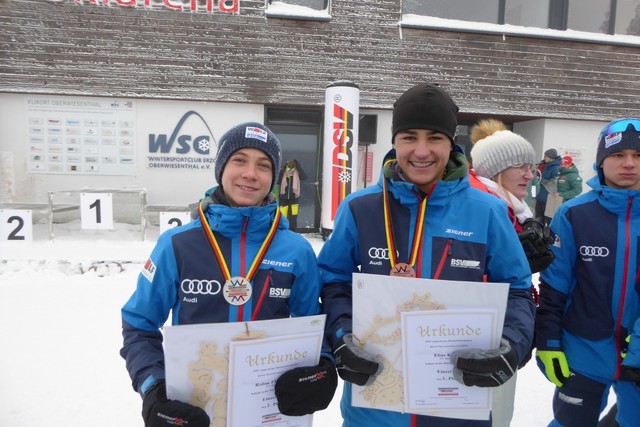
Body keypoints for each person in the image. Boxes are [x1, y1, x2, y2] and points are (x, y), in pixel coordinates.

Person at [318, 83, 535, 427]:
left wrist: (511, 345)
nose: (421, 151)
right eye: (409, 137)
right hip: (375, 407)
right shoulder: (360, 208)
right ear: (394, 142)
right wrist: (341, 335)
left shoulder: (488, 211)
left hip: (457, 405)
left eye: (434, 137)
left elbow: (518, 291)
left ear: (452, 143)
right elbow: (333, 283)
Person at [120, 122, 337, 427]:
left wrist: (323, 367)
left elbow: (315, 328)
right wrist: (153, 388)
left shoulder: (296, 250)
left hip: (269, 412)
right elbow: (138, 325)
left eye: (263, 165)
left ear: (273, 177)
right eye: (239, 160)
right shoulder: (177, 244)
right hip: (196, 411)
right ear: (221, 168)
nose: (250, 173)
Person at [535, 118, 640, 427]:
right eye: (618, 155)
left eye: (637, 156)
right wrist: (549, 341)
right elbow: (554, 286)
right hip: (583, 351)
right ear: (601, 161)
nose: (629, 164)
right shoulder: (574, 214)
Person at [469, 118, 552, 426]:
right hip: (486, 332)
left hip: (504, 327)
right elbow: (469, 273)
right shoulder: (489, 205)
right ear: (496, 170)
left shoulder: (510, 206)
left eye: (531, 167)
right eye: (522, 166)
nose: (530, 175)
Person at [278, 158, 307, 230]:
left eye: (293, 164)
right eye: (289, 164)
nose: (291, 165)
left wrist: (299, 166)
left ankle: (292, 232)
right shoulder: (283, 173)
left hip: (294, 198)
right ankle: (282, 231)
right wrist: (282, 170)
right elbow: (278, 181)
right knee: (282, 217)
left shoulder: (297, 173)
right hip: (283, 198)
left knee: (293, 217)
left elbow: (304, 177)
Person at [535, 148, 562, 224]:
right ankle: (539, 234)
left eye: (545, 156)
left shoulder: (556, 168)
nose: (544, 158)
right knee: (539, 218)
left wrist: (540, 180)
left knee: (550, 219)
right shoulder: (547, 166)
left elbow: (554, 182)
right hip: (541, 196)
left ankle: (549, 235)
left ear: (550, 157)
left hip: (550, 197)